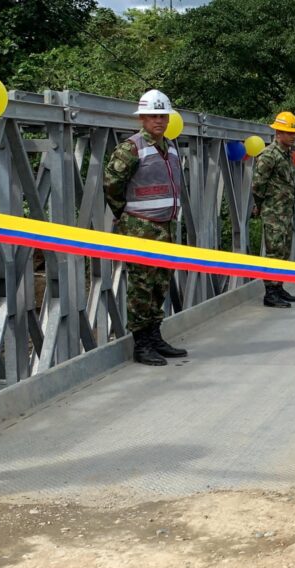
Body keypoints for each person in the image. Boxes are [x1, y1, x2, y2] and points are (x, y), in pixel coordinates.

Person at [104, 89, 189, 365]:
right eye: (153, 116)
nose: (159, 121)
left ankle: (155, 337)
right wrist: (124, 213)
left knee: (160, 284)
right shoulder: (131, 148)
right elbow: (111, 183)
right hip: (140, 227)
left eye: (163, 115)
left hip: (164, 226)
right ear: (142, 117)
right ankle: (141, 344)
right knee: (141, 286)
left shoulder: (171, 147)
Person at [252, 111, 295, 308]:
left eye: (294, 133)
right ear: (278, 133)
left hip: (285, 211)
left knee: (284, 250)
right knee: (274, 252)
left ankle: (279, 286)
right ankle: (270, 293)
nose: (293, 136)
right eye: (290, 133)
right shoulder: (269, 155)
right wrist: (261, 205)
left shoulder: (287, 154)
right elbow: (257, 184)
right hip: (274, 212)